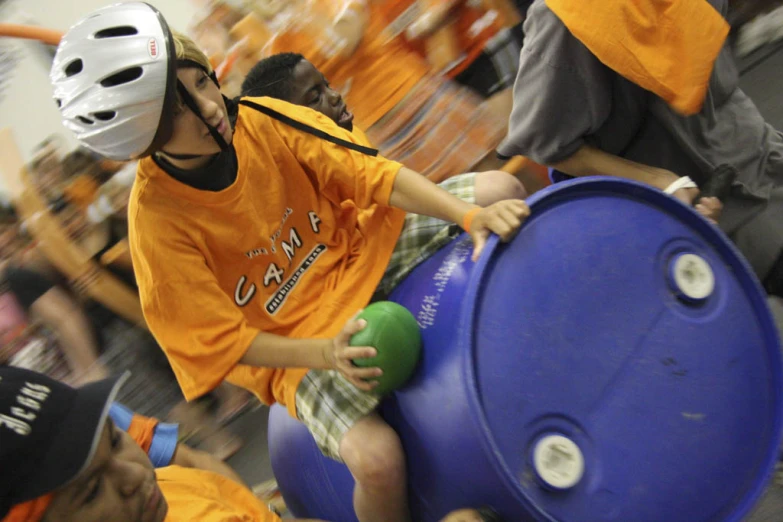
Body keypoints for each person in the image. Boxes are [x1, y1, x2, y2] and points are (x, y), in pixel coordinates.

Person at [51, 4, 528, 522]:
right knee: (377, 461)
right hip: (301, 345)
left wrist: (466, 213)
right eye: (176, 115)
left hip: (360, 245)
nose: (208, 108)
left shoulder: (263, 118)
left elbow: (371, 175)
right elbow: (222, 344)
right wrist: (327, 353)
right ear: (142, 141)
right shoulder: (156, 225)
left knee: (501, 186)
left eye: (201, 84)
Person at [497, 0, 783, 291]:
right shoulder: (567, 16)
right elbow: (547, 143)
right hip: (691, 208)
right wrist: (658, 181)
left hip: (749, 146)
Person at [0, 366, 501, 521]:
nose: (134, 474)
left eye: (116, 439)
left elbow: (205, 473)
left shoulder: (167, 488)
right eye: (89, 492)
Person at [241, 52, 525, 205]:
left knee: (501, 179)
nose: (336, 95)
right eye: (316, 98)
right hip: (372, 249)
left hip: (407, 91)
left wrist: (465, 216)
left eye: (328, 84)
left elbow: (389, 184)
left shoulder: (352, 139)